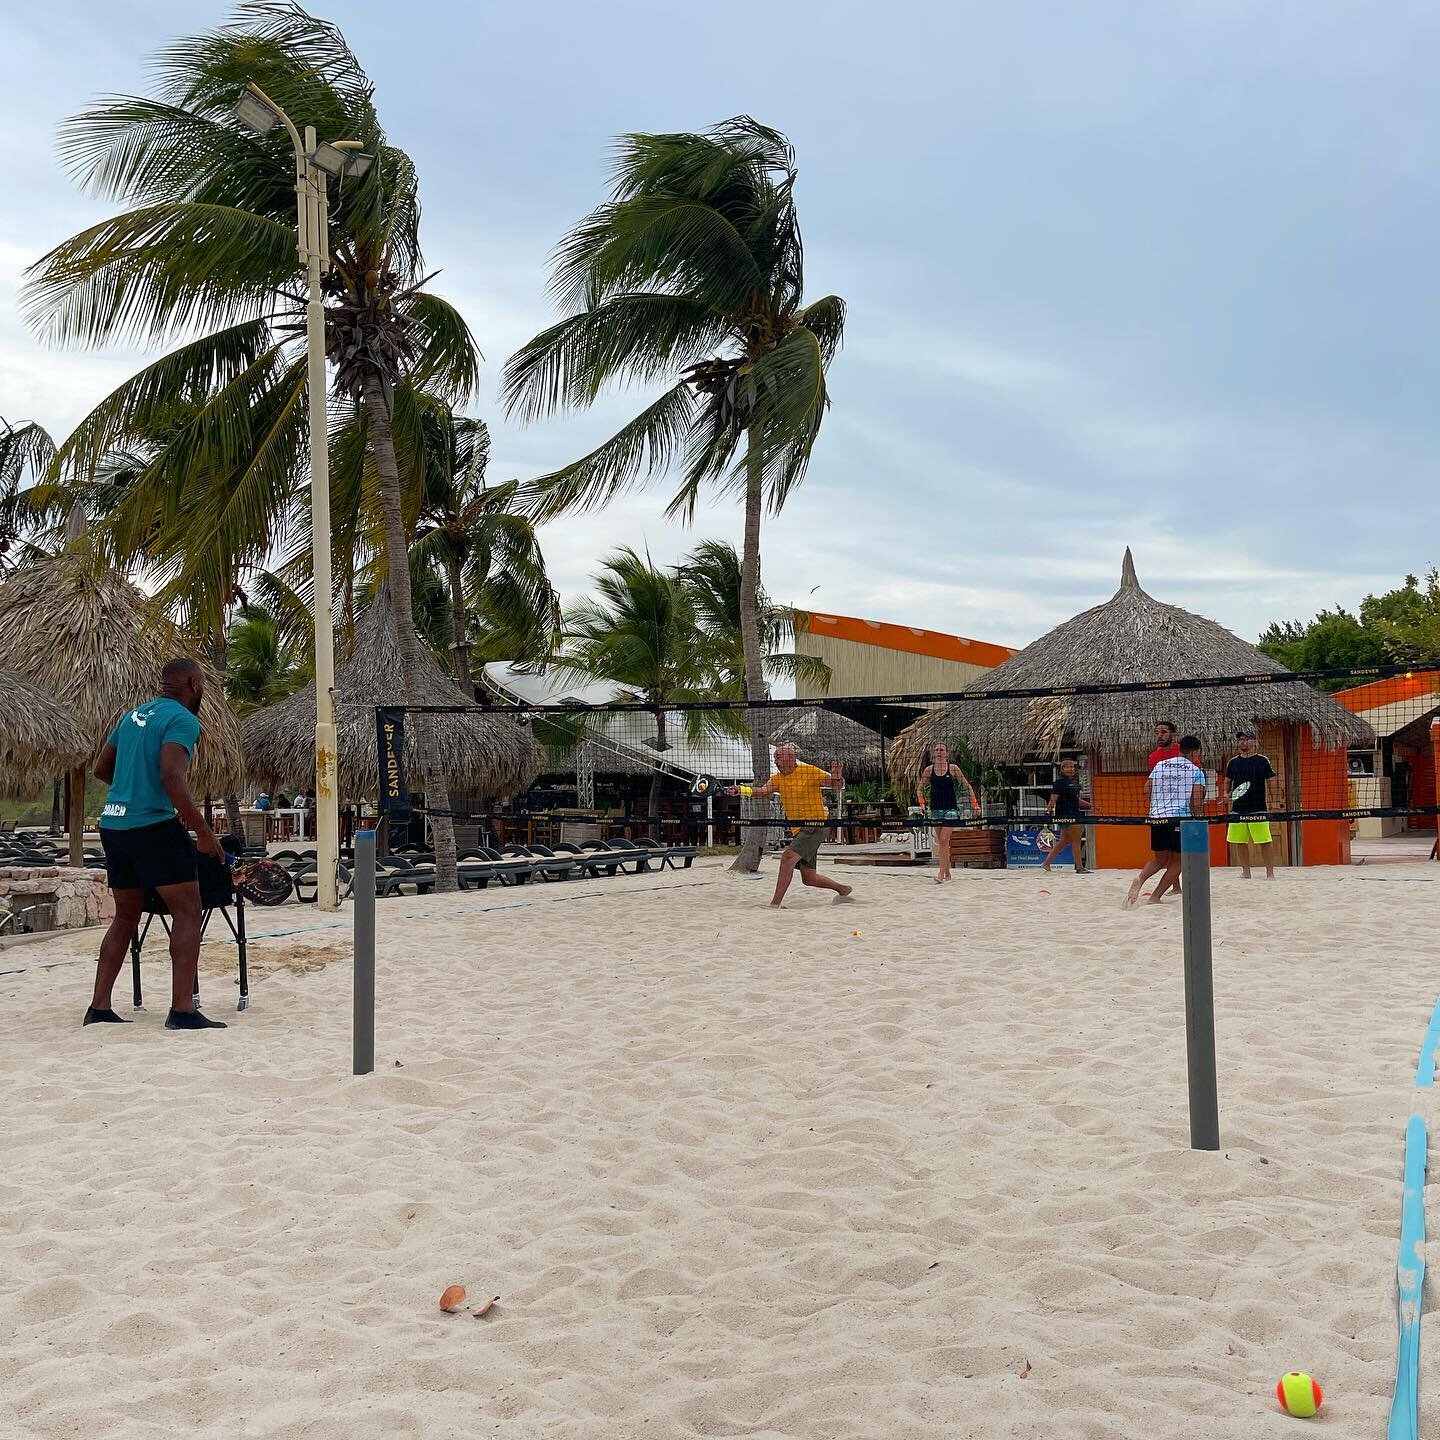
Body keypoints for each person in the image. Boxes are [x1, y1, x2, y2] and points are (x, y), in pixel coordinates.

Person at [86, 658, 228, 1030]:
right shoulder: (183, 720)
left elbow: (102, 769)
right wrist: (203, 830)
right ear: (195, 684)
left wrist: (131, 790)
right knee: (187, 909)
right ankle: (182, 1009)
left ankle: (99, 1007)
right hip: (153, 826)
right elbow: (170, 774)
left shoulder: (133, 717)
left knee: (126, 916)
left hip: (114, 826)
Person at [728, 744, 854, 908]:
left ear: (792, 758)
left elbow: (836, 785)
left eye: (779, 757)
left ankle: (775, 904)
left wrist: (837, 776)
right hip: (799, 828)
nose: (776, 761)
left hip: (815, 824)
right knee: (809, 878)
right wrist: (741, 789)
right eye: (775, 758)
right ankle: (843, 889)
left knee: (787, 858)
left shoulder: (809, 771)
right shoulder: (777, 778)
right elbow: (762, 791)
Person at [1126, 734, 1206, 908]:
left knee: (1159, 859)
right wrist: (1198, 818)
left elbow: (1147, 788)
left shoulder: (1160, 765)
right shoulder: (1195, 771)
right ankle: (1155, 896)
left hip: (1157, 817)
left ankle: (1139, 880)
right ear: (1195, 752)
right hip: (1179, 819)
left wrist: (1157, 805)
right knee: (1179, 861)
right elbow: (1198, 801)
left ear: (1180, 749)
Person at [917, 741, 978, 884]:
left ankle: (940, 874)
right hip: (935, 810)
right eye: (937, 750)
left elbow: (967, 786)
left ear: (947, 753)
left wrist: (974, 804)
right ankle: (948, 874)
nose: (939, 752)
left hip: (951, 810)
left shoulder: (953, 768)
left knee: (944, 840)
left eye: (942, 750)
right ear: (934, 753)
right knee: (943, 843)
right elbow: (920, 788)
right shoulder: (928, 770)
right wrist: (922, 803)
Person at [1223, 728, 1277, 879]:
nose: (1243, 742)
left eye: (1246, 739)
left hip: (1258, 808)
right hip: (1238, 809)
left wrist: (1274, 801)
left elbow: (1271, 781)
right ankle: (1246, 872)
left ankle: (1270, 873)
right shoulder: (1233, 762)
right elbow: (1227, 781)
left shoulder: (1262, 760)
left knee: (1265, 841)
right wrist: (1226, 794)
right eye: (1240, 740)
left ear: (1254, 742)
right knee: (1240, 842)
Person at [1042, 758, 1091, 873]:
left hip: (1074, 813)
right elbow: (1053, 799)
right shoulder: (1059, 783)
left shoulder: (1073, 783)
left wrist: (1091, 805)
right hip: (1065, 814)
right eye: (1068, 767)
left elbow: (1076, 799)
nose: (1071, 769)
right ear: (1062, 769)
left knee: (1064, 841)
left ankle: (1046, 863)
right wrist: (1048, 811)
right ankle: (1079, 867)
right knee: (1076, 839)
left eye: (1073, 766)